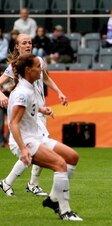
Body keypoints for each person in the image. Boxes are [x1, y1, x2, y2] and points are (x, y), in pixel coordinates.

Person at [6, 53, 82, 220]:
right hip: (25, 140)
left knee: (72, 157)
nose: (41, 70)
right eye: (38, 67)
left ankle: (53, 198)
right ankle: (65, 211)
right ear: (28, 70)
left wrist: (41, 109)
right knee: (60, 164)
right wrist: (24, 149)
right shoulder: (22, 93)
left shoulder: (29, 87)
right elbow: (13, 124)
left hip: (36, 136)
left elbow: (28, 108)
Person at [0, 33, 69, 197]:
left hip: (39, 109)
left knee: (39, 149)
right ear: (17, 46)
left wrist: (59, 92)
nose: (28, 45)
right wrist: (1, 95)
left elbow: (46, 78)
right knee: (39, 149)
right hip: (28, 112)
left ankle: (16, 183)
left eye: (29, 42)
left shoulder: (38, 60)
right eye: (24, 43)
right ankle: (26, 183)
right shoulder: (16, 65)